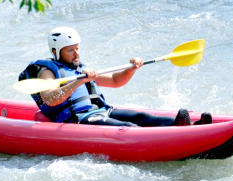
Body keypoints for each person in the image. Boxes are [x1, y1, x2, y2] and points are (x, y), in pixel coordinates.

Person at [19, 26, 211, 127]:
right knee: (127, 126)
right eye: (70, 50)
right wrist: (79, 81)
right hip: (80, 119)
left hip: (103, 110)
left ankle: (190, 127)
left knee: (142, 116)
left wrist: (131, 69)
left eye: (77, 49)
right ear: (56, 51)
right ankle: (176, 139)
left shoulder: (80, 69)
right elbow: (51, 99)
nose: (76, 54)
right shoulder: (47, 72)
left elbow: (116, 81)